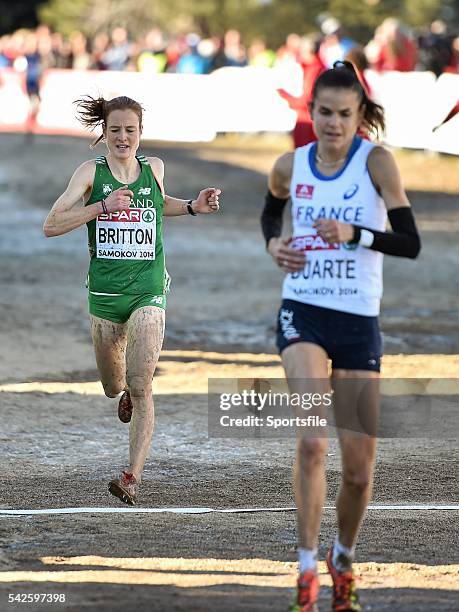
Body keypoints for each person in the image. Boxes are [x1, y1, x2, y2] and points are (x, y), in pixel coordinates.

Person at [261, 61, 420, 611]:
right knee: (310, 440)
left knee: (358, 470)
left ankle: (342, 560)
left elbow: (411, 242)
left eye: (344, 114)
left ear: (359, 115)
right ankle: (306, 572)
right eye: (324, 112)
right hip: (303, 312)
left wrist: (357, 233)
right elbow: (271, 212)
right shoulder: (290, 164)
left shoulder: (376, 162)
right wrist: (273, 247)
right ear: (311, 113)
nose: (333, 123)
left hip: (357, 321)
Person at [43, 95, 221, 505]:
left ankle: (131, 477)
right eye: (115, 129)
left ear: (140, 132)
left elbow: (160, 206)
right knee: (113, 386)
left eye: (130, 130)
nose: (123, 137)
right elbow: (51, 225)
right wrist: (100, 207)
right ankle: (123, 390)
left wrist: (193, 206)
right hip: (105, 298)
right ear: (104, 132)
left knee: (142, 386)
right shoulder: (90, 173)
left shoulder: (153, 168)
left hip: (148, 290)